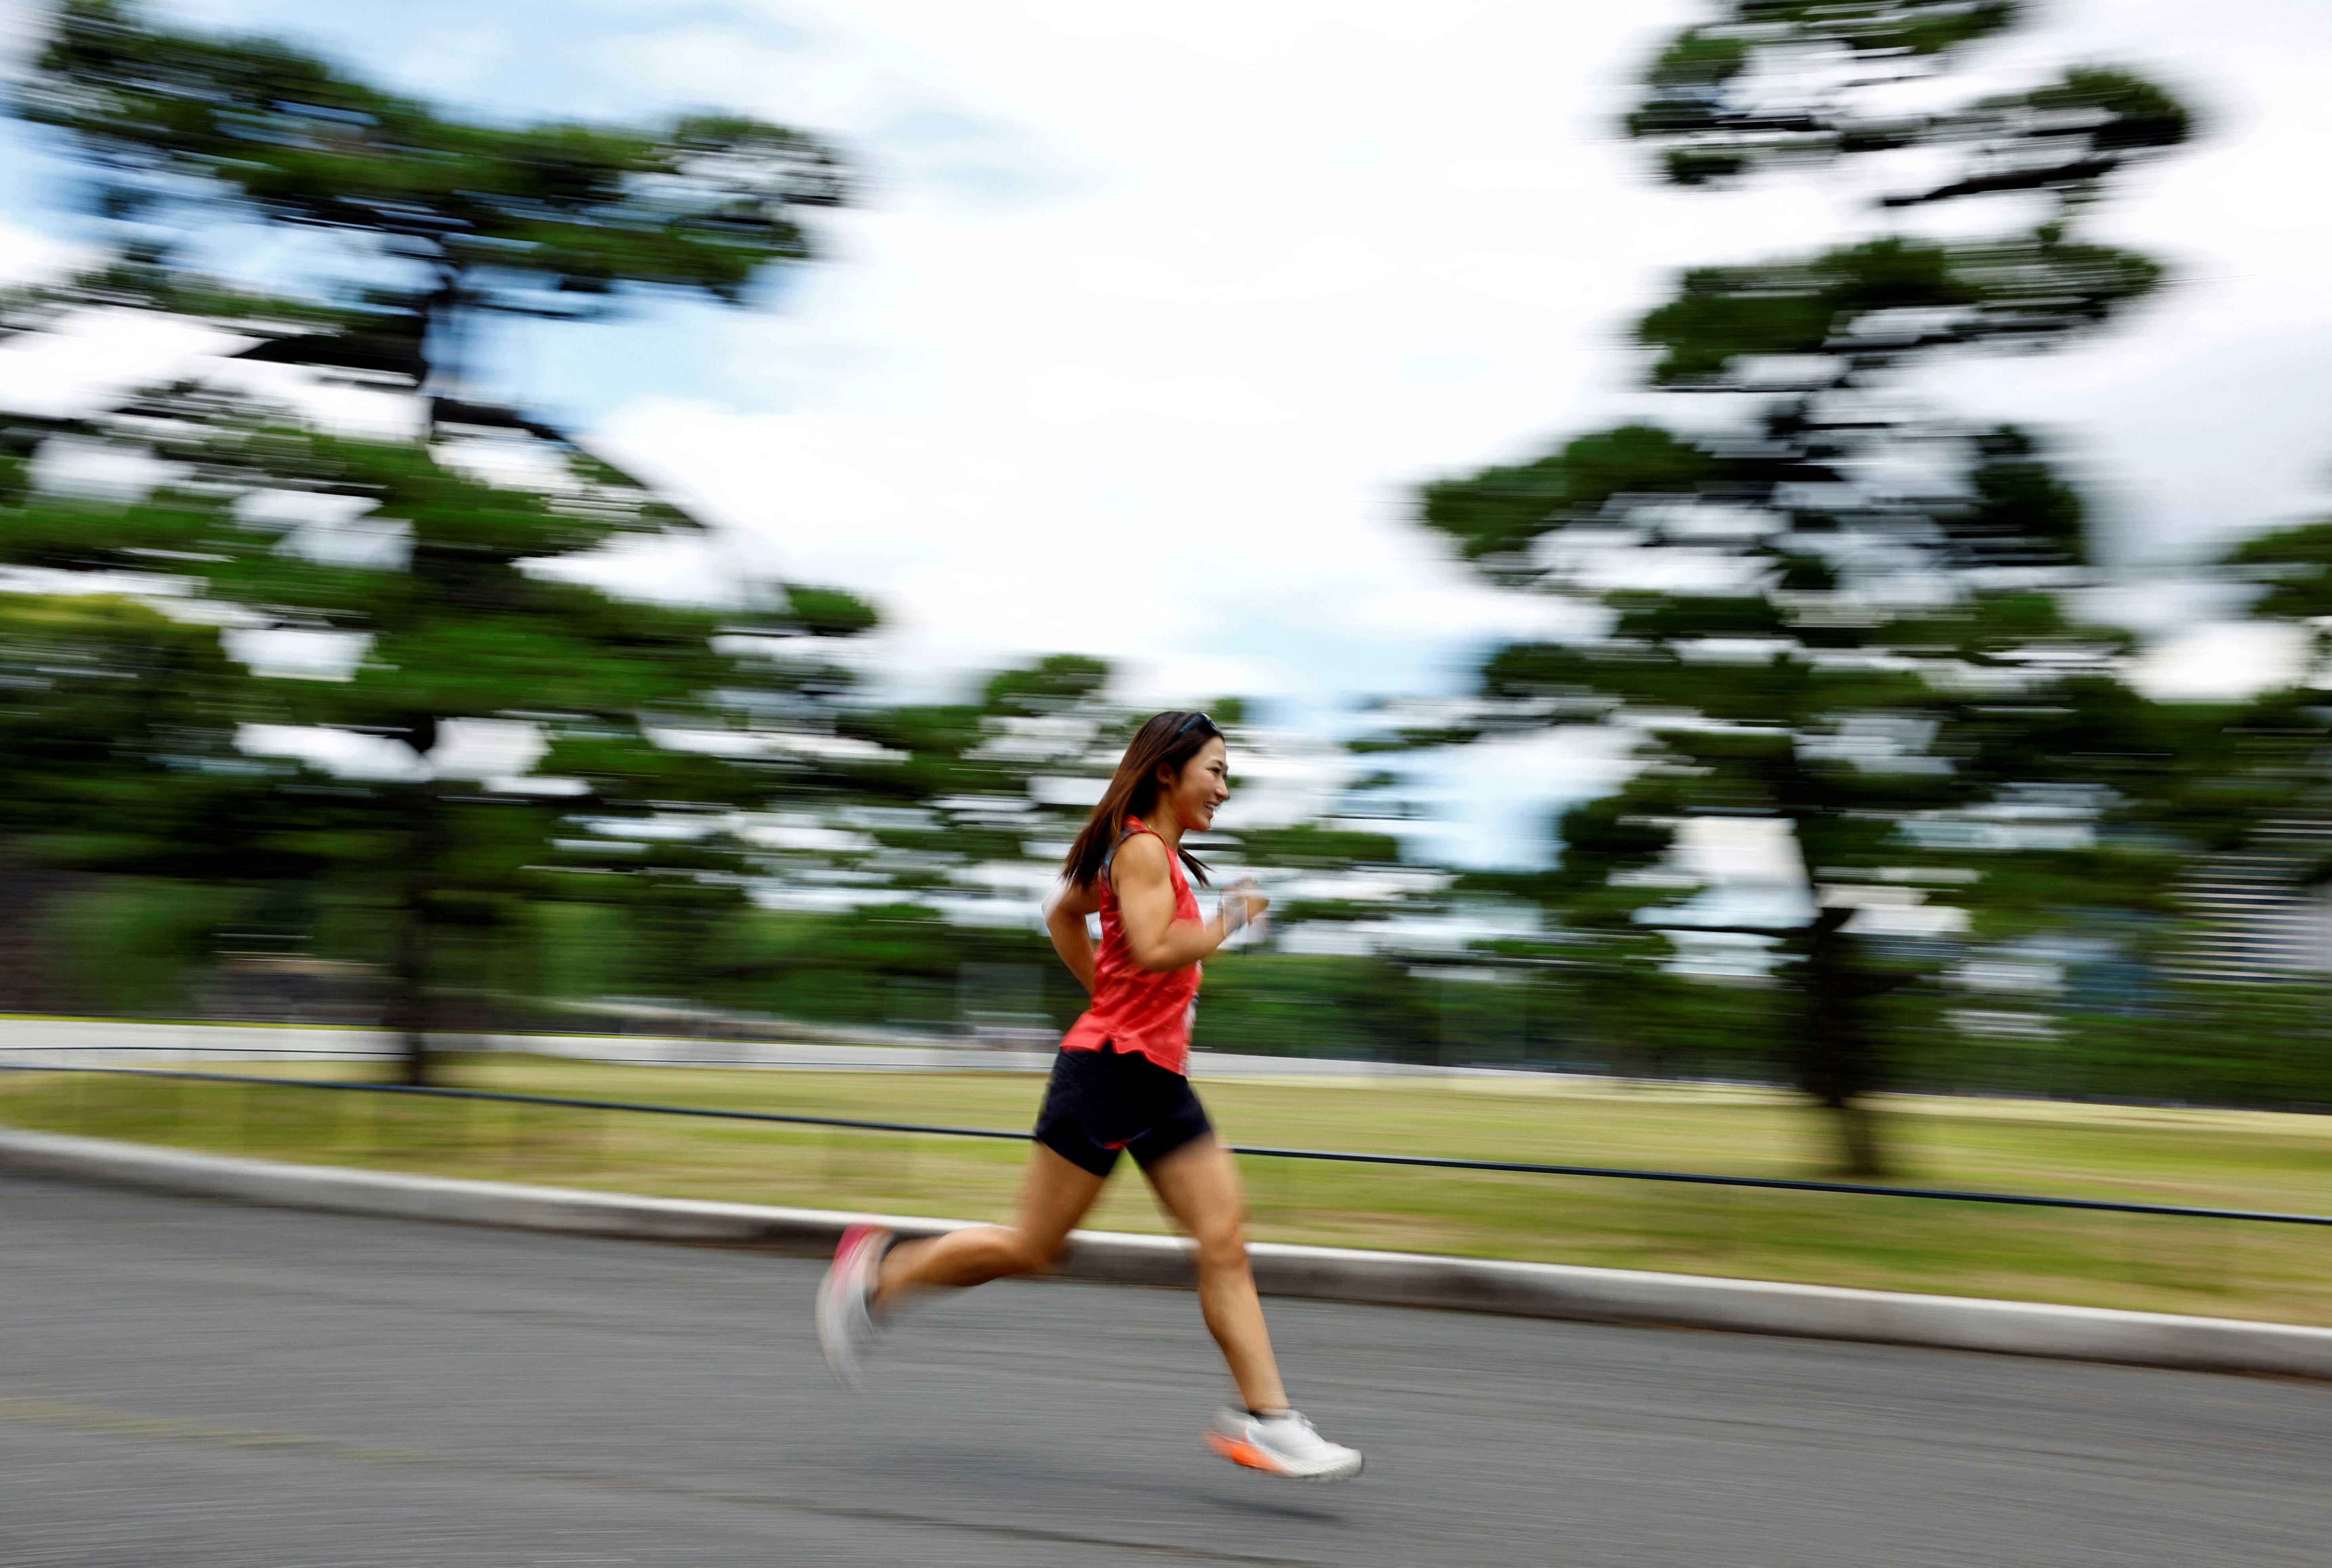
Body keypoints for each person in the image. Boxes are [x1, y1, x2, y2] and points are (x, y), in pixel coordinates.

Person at [817, 710, 1362, 1482]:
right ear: (1168, 770)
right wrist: (1232, 915)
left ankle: (1266, 1419)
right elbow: (1153, 946)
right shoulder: (1140, 848)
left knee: (1222, 1239)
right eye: (1216, 770)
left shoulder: (1145, 853)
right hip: (1108, 1076)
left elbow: (1063, 914)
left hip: (1156, 1077)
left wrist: (1110, 995)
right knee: (1032, 1247)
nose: (1225, 788)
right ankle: (877, 1273)